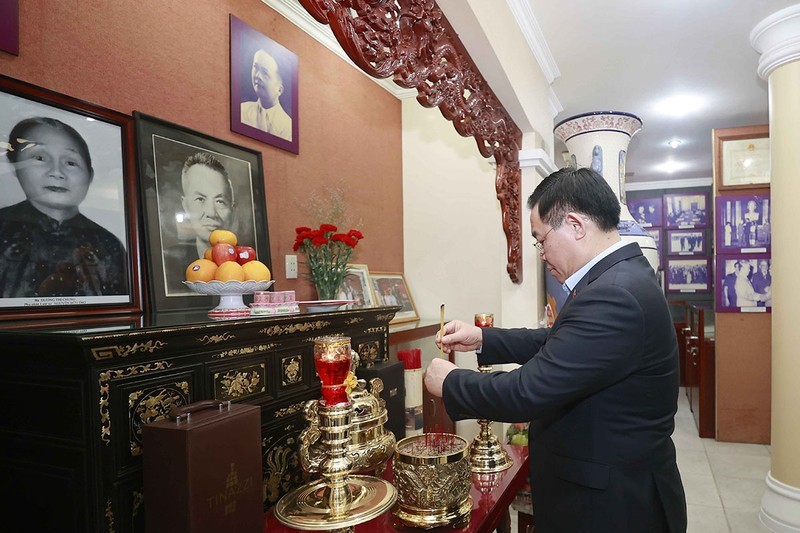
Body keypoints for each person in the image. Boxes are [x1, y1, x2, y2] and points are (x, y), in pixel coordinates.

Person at [424, 167, 687, 532]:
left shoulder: (613, 294)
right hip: (609, 488)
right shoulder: (619, 277)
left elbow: (526, 392)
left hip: (611, 506)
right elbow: (561, 342)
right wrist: (485, 338)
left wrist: (451, 381)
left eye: (541, 239)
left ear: (576, 225)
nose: (542, 254)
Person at [0, 117, 127, 298]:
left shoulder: (108, 244)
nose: (57, 172)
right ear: (15, 166)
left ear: (90, 175)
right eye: (40, 158)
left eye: (70, 162)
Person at [162, 152, 235, 293]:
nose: (211, 213)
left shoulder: (249, 264)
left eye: (220, 201)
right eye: (200, 199)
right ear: (185, 205)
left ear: (232, 210)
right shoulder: (170, 263)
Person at [240, 49, 292, 141]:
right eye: (255, 67)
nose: (258, 76)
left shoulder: (287, 126)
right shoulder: (243, 110)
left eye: (265, 73)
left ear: (279, 90)